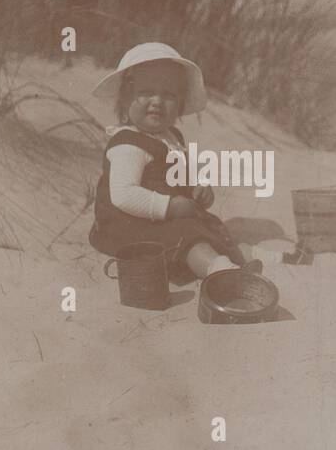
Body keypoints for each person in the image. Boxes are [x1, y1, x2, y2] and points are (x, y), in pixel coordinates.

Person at [88, 42, 258, 284]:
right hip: (126, 226)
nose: (157, 101)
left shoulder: (172, 138)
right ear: (126, 98)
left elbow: (178, 177)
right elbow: (123, 195)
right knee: (187, 235)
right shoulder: (128, 144)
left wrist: (197, 189)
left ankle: (244, 259)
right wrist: (169, 207)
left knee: (209, 224)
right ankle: (221, 273)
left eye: (168, 95)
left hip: (161, 217)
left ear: (180, 103)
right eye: (146, 92)